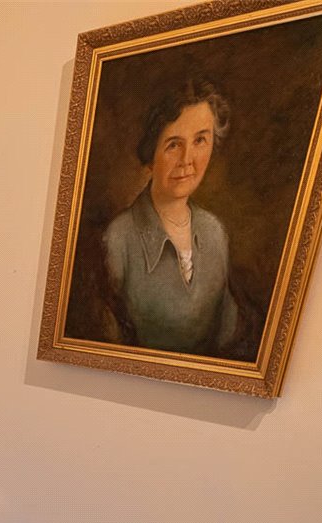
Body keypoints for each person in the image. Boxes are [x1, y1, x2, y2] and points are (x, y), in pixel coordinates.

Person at [101, 78, 242, 356]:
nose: (187, 160)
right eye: (174, 145)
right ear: (151, 153)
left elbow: (227, 333)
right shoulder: (118, 238)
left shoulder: (214, 232)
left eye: (200, 140)